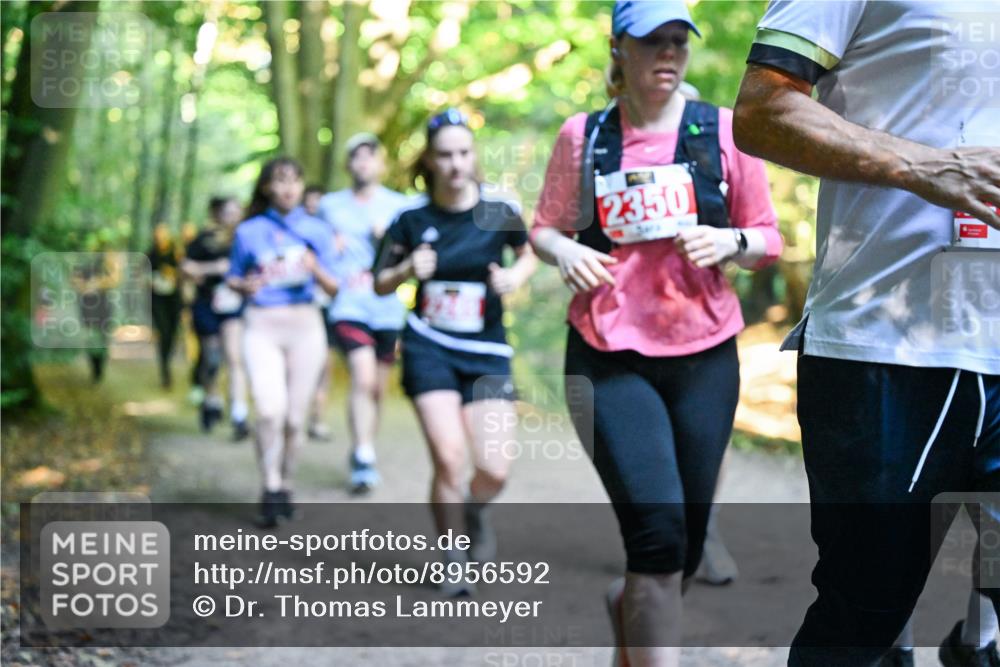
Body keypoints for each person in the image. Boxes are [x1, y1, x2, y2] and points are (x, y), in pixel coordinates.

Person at [732, 2, 999, 665]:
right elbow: (762, 112)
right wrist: (926, 167)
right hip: (885, 344)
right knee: (864, 614)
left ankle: (976, 644)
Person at [530, 2, 783, 664]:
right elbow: (544, 226)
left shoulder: (723, 130)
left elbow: (767, 237)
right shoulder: (583, 136)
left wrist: (730, 239)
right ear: (619, 48)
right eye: (652, 42)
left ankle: (629, 607)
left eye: (679, 42)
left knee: (686, 551)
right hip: (608, 354)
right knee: (658, 537)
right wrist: (563, 252)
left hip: (705, 353)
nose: (669, 54)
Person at [374, 108, 536, 594]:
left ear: (474, 155)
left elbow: (530, 251)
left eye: (464, 152)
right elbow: (378, 282)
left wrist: (514, 277)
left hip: (486, 348)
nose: (456, 163)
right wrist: (405, 270)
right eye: (445, 155)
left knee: (494, 469)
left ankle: (473, 511)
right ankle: (452, 554)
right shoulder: (409, 217)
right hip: (430, 346)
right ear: (430, 159)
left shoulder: (499, 210)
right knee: (449, 459)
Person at [227, 157, 339, 528]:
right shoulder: (249, 231)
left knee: (294, 419)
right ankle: (270, 486)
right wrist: (245, 285)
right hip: (262, 326)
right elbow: (232, 277)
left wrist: (314, 267)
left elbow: (335, 286)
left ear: (303, 186)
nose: (289, 187)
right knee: (269, 410)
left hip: (306, 326)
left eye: (295, 180)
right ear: (266, 187)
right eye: (280, 180)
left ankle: (286, 484)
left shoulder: (317, 230)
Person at [318, 133, 410, 493]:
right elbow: (314, 245)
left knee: (378, 388)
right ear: (347, 164)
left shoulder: (399, 206)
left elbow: (412, 254)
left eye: (370, 157)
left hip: (386, 307)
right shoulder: (329, 206)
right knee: (363, 376)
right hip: (348, 303)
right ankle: (362, 452)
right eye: (356, 157)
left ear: (382, 164)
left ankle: (364, 450)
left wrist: (388, 242)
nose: (363, 164)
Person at [182, 196, 250, 440]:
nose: (231, 216)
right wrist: (213, 269)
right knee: (211, 357)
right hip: (207, 304)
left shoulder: (247, 238)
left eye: (236, 211)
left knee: (234, 356)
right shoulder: (204, 240)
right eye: (227, 212)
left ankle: (239, 413)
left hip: (235, 305)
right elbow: (186, 267)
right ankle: (212, 399)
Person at [147, 223, 184, 389]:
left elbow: (184, 273)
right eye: (157, 234)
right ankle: (165, 370)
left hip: (173, 300)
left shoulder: (176, 253)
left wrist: (172, 273)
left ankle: (166, 360)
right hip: (157, 299)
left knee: (172, 334)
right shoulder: (150, 254)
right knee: (164, 332)